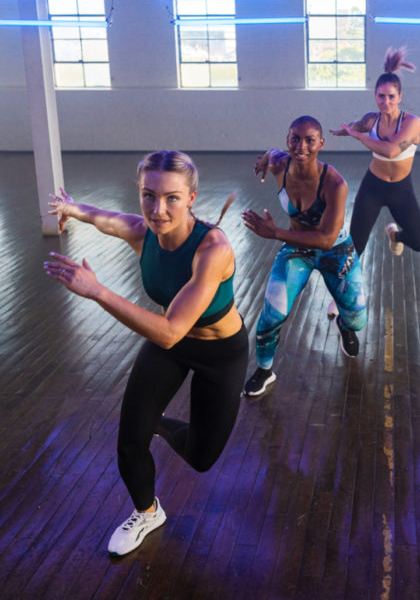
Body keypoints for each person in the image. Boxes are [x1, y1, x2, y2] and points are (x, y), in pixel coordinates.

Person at [44, 150, 247, 557]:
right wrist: (70, 208)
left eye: (172, 197)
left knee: (201, 457)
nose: (158, 209)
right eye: (148, 195)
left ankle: (157, 423)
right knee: (128, 440)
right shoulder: (142, 232)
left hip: (217, 352)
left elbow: (172, 331)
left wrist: (97, 290)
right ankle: (147, 511)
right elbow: (103, 216)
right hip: (168, 345)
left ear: (191, 197)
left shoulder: (213, 249)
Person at [240, 115, 367, 397]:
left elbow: (326, 238)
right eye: (295, 138)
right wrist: (263, 159)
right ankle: (264, 370)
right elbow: (271, 154)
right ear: (287, 140)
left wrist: (275, 233)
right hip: (297, 249)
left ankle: (344, 326)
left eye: (310, 140)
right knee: (272, 314)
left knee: (358, 320)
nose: (301, 145)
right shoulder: (278, 164)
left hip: (335, 250)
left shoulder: (335, 184)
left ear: (321, 143)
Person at [331, 46, 420, 260]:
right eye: (381, 96)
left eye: (391, 96)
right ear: (375, 96)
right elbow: (356, 125)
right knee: (355, 248)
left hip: (401, 190)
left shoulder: (412, 123)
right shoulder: (371, 119)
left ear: (400, 96)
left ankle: (395, 236)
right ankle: (340, 292)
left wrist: (358, 137)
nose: (386, 102)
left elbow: (392, 151)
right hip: (373, 187)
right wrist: (343, 132)